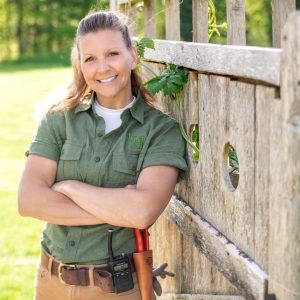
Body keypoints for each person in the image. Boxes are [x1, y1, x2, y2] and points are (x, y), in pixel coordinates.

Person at [18, 10, 187, 300]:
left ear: (132, 55)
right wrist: (118, 208)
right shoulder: (59, 119)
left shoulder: (161, 131)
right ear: (80, 65)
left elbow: (142, 211)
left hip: (116, 289)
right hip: (50, 283)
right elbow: (29, 201)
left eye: (112, 53)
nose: (103, 68)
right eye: (90, 59)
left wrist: (69, 188)